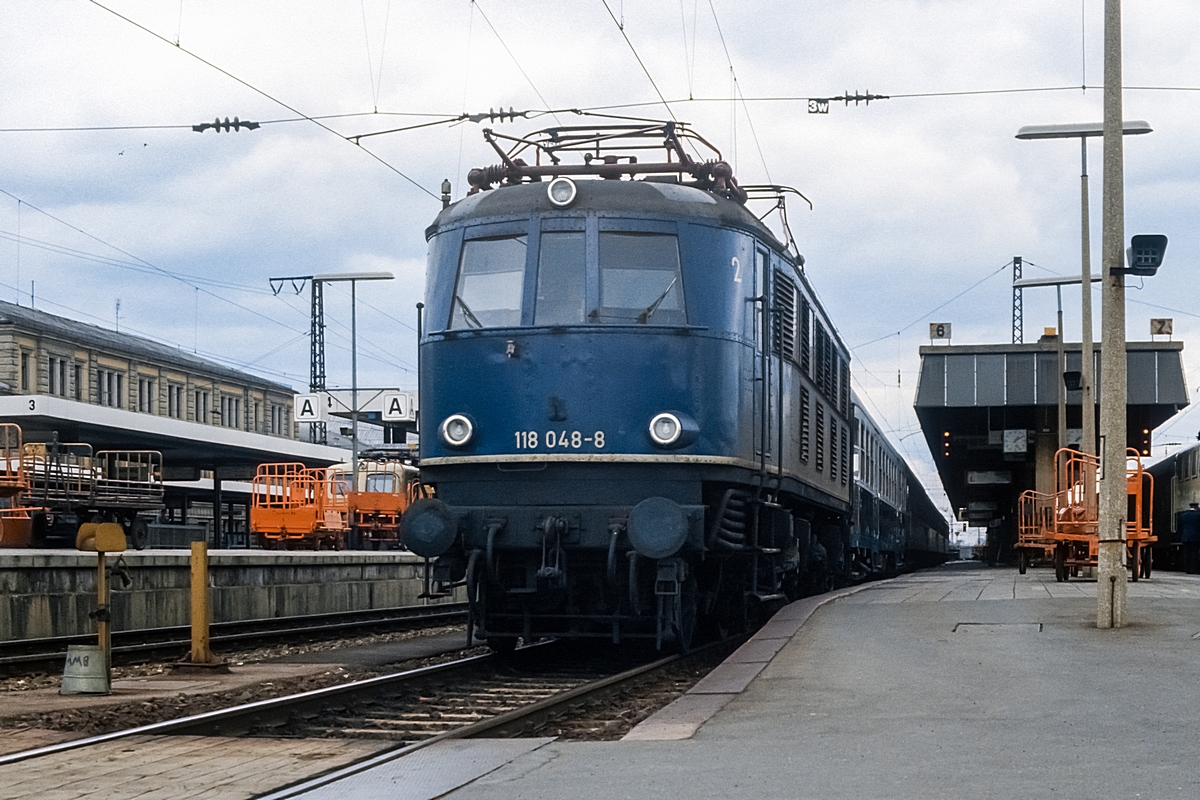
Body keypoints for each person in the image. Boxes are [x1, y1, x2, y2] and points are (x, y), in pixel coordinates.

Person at [1180, 502, 1200, 574]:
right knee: (1194, 554)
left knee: (1186, 554)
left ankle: (1187, 569)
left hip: (1185, 537)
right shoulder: (1198, 515)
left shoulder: (1184, 515)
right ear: (1197, 507)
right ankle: (1194, 569)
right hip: (1195, 537)